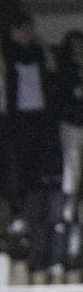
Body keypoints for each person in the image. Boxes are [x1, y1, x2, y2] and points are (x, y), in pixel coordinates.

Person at [0, 13, 56, 215]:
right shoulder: (7, 51)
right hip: (13, 117)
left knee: (34, 162)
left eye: (29, 30)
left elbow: (52, 69)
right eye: (22, 30)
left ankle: (32, 204)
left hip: (35, 115)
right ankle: (14, 206)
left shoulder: (35, 53)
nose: (27, 34)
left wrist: (43, 45)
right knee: (15, 162)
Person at [54, 30, 83, 216]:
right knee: (72, 163)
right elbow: (62, 96)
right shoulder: (65, 69)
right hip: (72, 122)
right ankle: (69, 205)